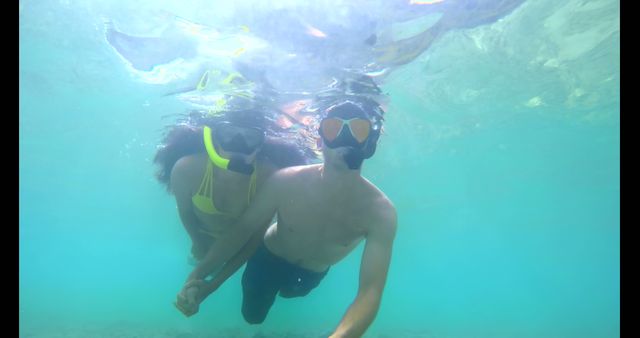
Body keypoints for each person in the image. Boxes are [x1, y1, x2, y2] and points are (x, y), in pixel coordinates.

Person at [176, 97, 397, 338]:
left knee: (293, 294)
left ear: (370, 144)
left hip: (312, 274)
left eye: (358, 130)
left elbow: (371, 291)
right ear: (319, 141)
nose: (346, 138)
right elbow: (242, 231)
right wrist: (198, 277)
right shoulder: (285, 181)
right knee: (252, 316)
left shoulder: (380, 212)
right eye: (334, 128)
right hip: (267, 259)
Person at [153, 108, 308, 301]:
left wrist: (213, 285)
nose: (238, 146)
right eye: (229, 135)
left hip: (248, 245)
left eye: (250, 138)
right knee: (199, 260)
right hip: (203, 239)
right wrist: (197, 242)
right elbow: (185, 212)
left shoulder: (269, 178)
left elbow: (251, 238)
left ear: (260, 145)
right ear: (214, 139)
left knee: (258, 306)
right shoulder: (187, 169)